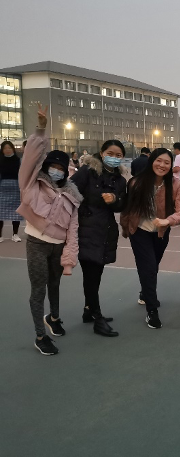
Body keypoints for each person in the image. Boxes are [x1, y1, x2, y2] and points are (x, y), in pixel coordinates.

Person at [18, 104, 82, 355]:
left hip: (58, 247)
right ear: (46, 167)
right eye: (53, 166)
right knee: (38, 288)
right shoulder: (32, 182)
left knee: (54, 284)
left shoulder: (72, 195)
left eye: (61, 168)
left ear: (66, 171)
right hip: (36, 243)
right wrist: (41, 130)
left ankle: (53, 317)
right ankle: (40, 335)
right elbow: (31, 157)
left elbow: (73, 230)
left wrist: (69, 259)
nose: (57, 170)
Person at [120, 148, 180, 329]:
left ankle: (145, 293)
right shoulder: (136, 182)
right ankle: (152, 311)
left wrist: (167, 220)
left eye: (167, 162)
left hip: (160, 232)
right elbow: (127, 209)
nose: (162, 165)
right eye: (159, 161)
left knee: (153, 266)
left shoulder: (176, 185)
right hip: (139, 231)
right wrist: (126, 228)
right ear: (151, 161)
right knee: (148, 267)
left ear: (171, 165)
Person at [70, 140, 127, 337]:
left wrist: (115, 199)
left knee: (96, 273)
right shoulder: (88, 171)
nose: (114, 158)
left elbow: (122, 205)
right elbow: (70, 190)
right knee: (91, 275)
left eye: (118, 155)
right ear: (102, 153)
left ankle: (89, 310)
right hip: (86, 228)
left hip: (106, 230)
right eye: (110, 153)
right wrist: (83, 208)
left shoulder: (120, 180)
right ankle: (97, 317)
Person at [0, 140, 23, 243]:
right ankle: (0, 236)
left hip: (16, 188)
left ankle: (15, 234)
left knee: (16, 212)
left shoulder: (19, 161)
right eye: (5, 148)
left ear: (13, 149)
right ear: (2, 150)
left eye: (9, 148)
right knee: (0, 213)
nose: (7, 150)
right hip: (2, 188)